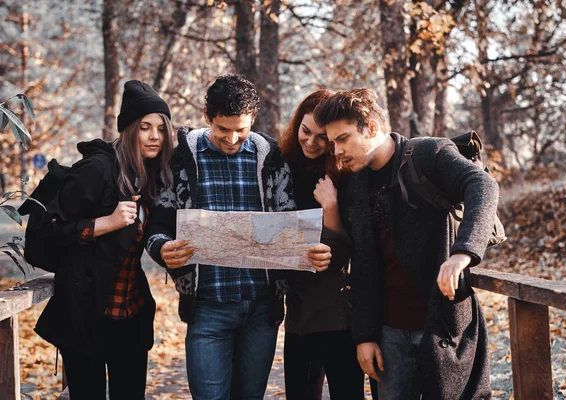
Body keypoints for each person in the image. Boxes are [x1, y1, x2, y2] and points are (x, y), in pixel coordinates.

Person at [145, 74, 333, 400]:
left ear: (253, 120)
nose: (232, 139)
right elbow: (157, 223)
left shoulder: (271, 157)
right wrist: (162, 248)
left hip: (261, 309)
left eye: (241, 129)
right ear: (207, 116)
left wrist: (309, 252)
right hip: (207, 307)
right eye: (222, 130)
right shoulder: (181, 158)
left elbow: (290, 223)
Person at [313, 88, 499, 400]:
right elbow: (361, 265)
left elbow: (482, 184)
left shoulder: (428, 154)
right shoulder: (354, 185)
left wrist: (463, 253)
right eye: (332, 142)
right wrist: (365, 335)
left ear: (371, 128)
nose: (336, 151)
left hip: (443, 325)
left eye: (342, 139)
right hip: (388, 336)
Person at [34, 80, 174, 399]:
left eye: (161, 128)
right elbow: (52, 228)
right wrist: (106, 222)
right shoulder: (96, 169)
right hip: (86, 316)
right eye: (145, 127)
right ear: (128, 130)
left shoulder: (148, 177)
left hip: (130, 316)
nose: (155, 136)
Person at [279, 89, 365, 400]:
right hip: (300, 311)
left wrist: (330, 208)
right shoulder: (281, 167)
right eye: (305, 131)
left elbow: (343, 251)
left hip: (339, 310)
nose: (312, 142)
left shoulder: (345, 172)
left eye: (321, 137)